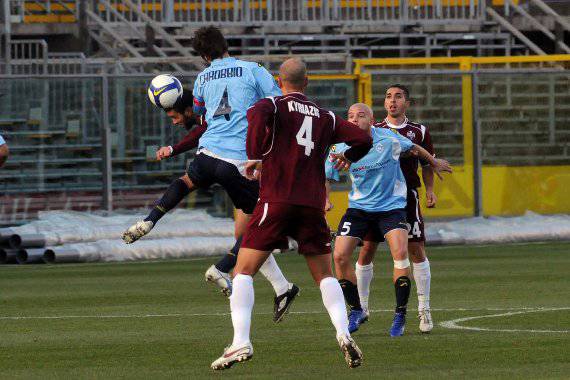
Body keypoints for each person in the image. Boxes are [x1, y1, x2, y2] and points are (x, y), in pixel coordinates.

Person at [122, 26, 299, 322]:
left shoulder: (203, 78)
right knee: (261, 224)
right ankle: (220, 268)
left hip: (207, 153)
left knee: (188, 182)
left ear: (204, 55)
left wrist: (175, 148)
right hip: (240, 162)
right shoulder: (252, 70)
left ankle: (150, 219)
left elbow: (204, 117)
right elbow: (279, 104)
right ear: (225, 45)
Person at [211, 58, 373, 371]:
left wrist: (254, 156)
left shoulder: (273, 104)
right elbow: (363, 138)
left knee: (242, 271)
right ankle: (342, 332)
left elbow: (256, 113)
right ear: (307, 82)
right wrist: (349, 156)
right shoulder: (325, 116)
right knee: (325, 275)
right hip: (312, 205)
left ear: (279, 80)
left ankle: (240, 341)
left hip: (277, 200)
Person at [325, 102, 451, 337]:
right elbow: (327, 174)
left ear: (371, 121)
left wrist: (434, 163)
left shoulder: (388, 139)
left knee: (401, 254)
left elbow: (414, 147)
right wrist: (325, 198)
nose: (354, 119)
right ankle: (356, 310)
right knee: (340, 255)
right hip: (359, 209)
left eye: (361, 115)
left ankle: (400, 314)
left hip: (391, 208)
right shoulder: (340, 146)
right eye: (350, 116)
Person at [358, 85, 438, 333]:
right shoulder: (374, 130)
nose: (392, 101)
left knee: (415, 250)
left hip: (406, 199)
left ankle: (424, 309)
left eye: (398, 97)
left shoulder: (419, 131)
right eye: (388, 97)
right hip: (377, 199)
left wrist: (430, 190)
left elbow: (426, 163)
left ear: (408, 103)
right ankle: (361, 308)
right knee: (367, 249)